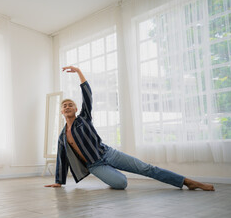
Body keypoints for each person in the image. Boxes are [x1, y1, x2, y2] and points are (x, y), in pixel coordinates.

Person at [45, 66, 215, 191]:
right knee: (121, 183)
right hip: (95, 165)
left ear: (75, 109)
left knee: (146, 168)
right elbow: (62, 158)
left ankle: (187, 182)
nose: (67, 107)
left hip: (108, 153)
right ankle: (112, 173)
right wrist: (59, 181)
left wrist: (79, 72)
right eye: (64, 106)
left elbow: (88, 95)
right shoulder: (62, 137)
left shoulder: (84, 119)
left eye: (71, 105)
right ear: (61, 111)